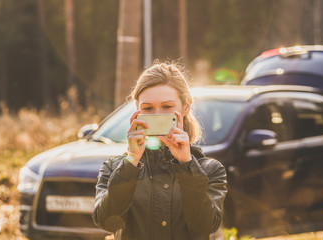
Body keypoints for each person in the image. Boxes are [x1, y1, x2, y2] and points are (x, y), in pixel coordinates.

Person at [92, 62, 227, 240]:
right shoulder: (115, 168)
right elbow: (107, 223)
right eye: (148, 108)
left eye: (167, 107)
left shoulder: (210, 170)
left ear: (185, 107)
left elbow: (204, 227)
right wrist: (131, 161)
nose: (157, 115)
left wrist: (186, 165)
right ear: (137, 109)